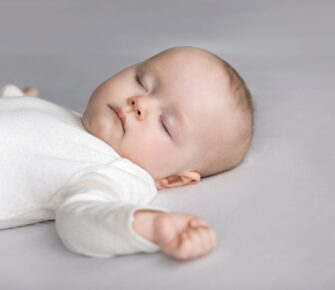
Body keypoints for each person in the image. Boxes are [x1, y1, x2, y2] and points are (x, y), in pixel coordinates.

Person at [0, 46, 254, 260]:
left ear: (174, 179)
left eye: (165, 124)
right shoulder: (75, 119)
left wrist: (149, 225)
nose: (140, 102)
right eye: (142, 81)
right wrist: (21, 101)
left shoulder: (115, 171)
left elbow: (81, 219)